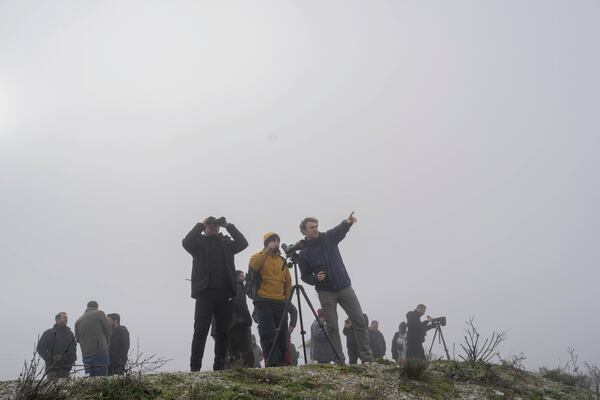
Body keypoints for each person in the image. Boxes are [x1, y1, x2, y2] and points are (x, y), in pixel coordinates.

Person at [298, 213, 373, 364]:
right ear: (304, 231)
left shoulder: (328, 238)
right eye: (311, 227)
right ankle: (340, 361)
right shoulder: (303, 253)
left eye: (316, 226)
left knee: (359, 320)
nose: (315, 229)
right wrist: (315, 279)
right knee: (332, 327)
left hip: (344, 286)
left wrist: (348, 222)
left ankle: (367, 359)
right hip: (325, 292)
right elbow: (304, 276)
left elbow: (339, 230)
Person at [182, 216, 248, 371]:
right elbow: (186, 242)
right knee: (200, 330)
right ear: (206, 227)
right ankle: (195, 368)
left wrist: (228, 225)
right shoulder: (198, 243)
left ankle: (219, 366)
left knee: (223, 332)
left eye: (216, 225)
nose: (213, 228)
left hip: (225, 294)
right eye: (210, 225)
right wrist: (201, 224)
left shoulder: (226, 244)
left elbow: (243, 243)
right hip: (205, 293)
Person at [249, 232, 292, 367]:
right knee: (268, 333)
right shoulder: (258, 256)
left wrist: (286, 299)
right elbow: (254, 266)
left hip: (280, 302)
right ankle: (272, 363)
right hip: (264, 301)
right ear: (266, 243)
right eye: (273, 240)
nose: (276, 243)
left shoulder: (282, 260)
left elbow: (288, 283)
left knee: (283, 335)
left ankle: (282, 363)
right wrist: (267, 251)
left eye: (278, 241)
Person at [75, 301, 112, 376]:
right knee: (101, 379)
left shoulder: (78, 321)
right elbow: (108, 330)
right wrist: (106, 343)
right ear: (96, 307)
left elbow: (78, 339)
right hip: (99, 351)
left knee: (90, 380)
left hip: (86, 355)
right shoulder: (99, 313)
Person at [37, 312, 77, 380]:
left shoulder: (70, 334)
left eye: (67, 318)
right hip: (52, 370)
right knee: (52, 390)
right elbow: (40, 348)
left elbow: (73, 349)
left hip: (66, 370)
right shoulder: (49, 333)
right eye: (64, 317)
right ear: (57, 319)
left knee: (66, 390)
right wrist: (51, 359)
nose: (66, 319)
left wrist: (71, 361)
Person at [227, 270, 254, 367]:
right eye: (242, 276)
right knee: (246, 348)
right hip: (239, 322)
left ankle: (235, 369)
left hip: (230, 324)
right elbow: (240, 304)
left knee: (233, 351)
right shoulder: (238, 287)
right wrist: (248, 319)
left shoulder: (230, 287)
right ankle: (250, 369)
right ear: (237, 277)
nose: (244, 277)